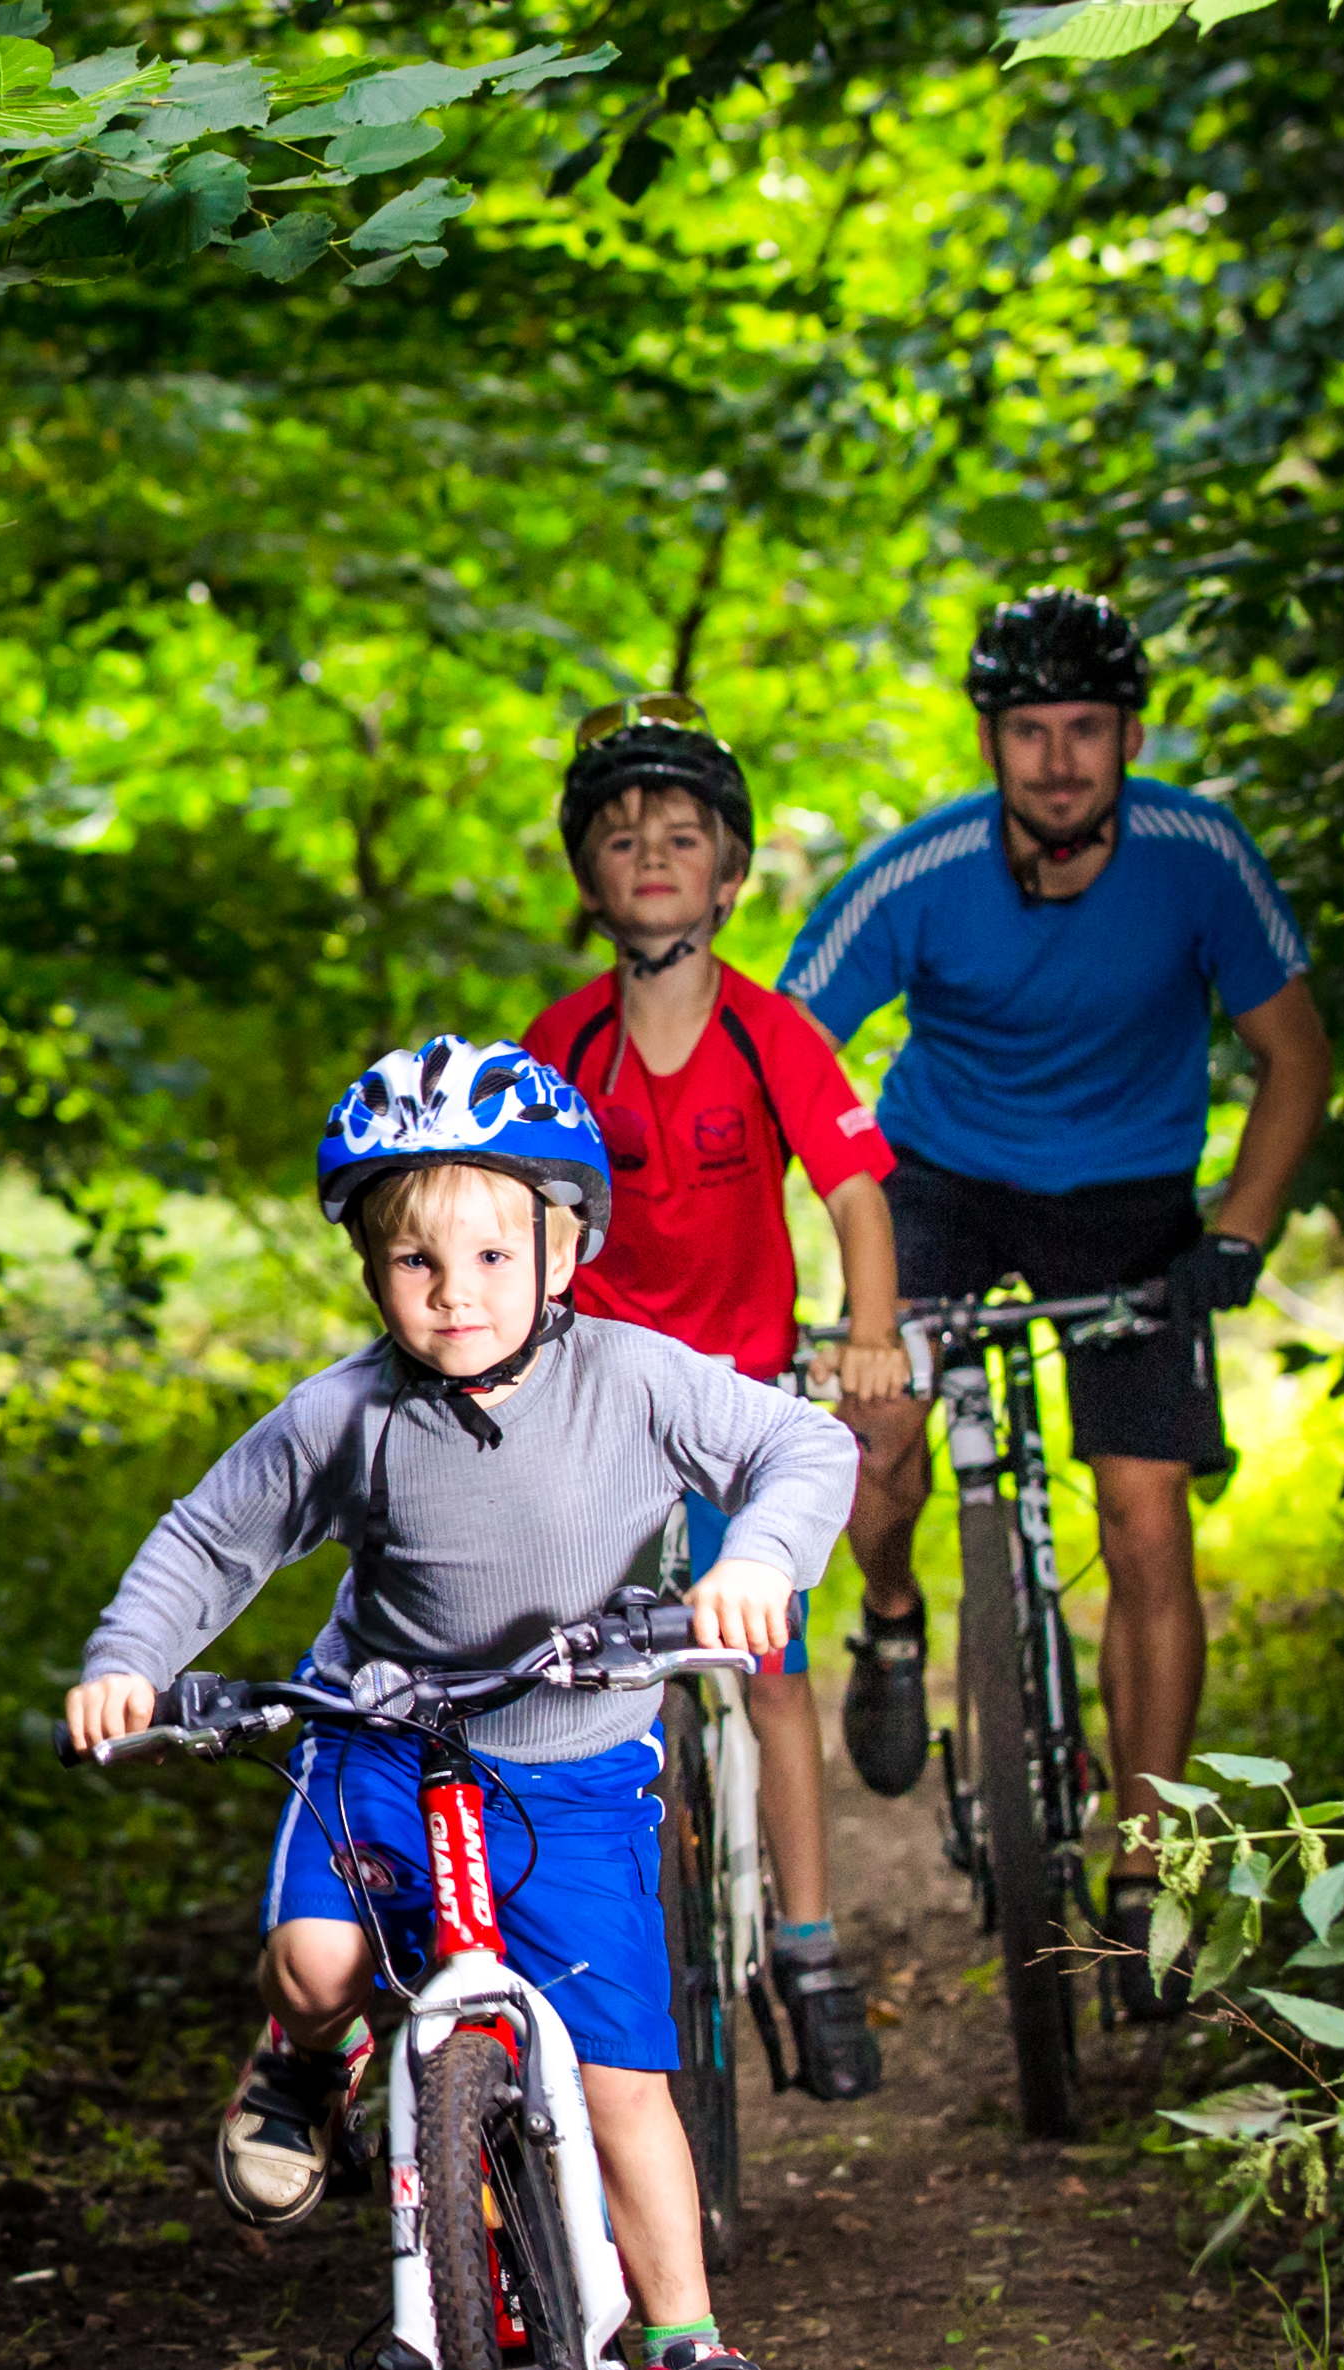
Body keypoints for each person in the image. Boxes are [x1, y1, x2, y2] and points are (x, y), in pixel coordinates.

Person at [58, 1038, 857, 2370]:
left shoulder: (633, 1377)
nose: (456, 1289)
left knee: (618, 2081)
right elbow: (210, 1535)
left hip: (569, 1763)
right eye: (413, 1259)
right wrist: (128, 1660)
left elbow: (801, 1444)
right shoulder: (348, 1410)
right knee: (312, 1959)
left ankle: (684, 2344)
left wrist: (757, 1561)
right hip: (379, 1733)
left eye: (493, 1250)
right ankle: (310, 2063)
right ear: (369, 1268)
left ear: (564, 1244)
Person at [782, 590, 1334, 1998]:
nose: (1058, 760)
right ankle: (894, 1616)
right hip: (944, 1182)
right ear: (989, 742)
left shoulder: (1198, 855)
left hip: (1132, 1200)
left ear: (1129, 734)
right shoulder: (919, 876)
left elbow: (1295, 1056)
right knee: (883, 1431)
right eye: (1028, 731)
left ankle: (1142, 1868)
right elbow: (782, 1051)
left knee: (1146, 1521)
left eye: (1084, 729)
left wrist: (1241, 1232)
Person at [516, 696, 906, 2101]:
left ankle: (807, 1947)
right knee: (558, 1667)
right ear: (589, 878)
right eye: (622, 838)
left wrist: (867, 1337)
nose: (652, 856)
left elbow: (855, 1194)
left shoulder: (770, 1036)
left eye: (682, 837)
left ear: (729, 874)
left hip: (735, 1399)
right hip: (594, 1406)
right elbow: (497, 1210)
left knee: (765, 1666)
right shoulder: (557, 1043)